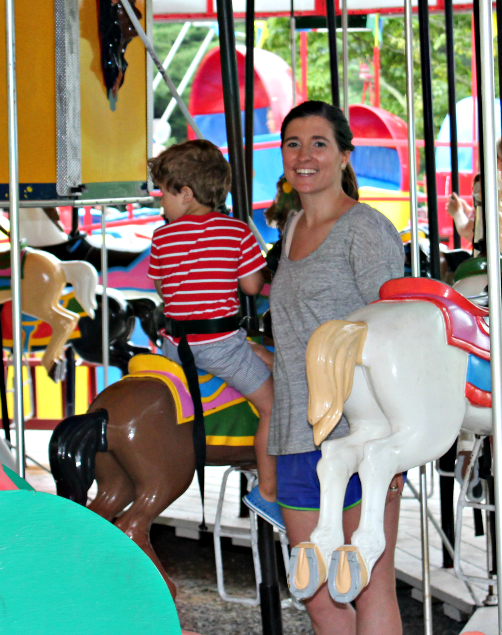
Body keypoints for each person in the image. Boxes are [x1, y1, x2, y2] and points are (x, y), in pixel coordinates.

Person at [268, 100, 405, 635]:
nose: (304, 156)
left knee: (369, 585)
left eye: (319, 144)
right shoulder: (293, 225)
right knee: (315, 594)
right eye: (293, 144)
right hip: (299, 433)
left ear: (345, 155)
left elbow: (394, 333)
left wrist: (393, 443)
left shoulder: (364, 230)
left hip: (358, 433)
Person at [147, 139, 283, 529]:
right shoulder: (236, 232)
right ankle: (268, 493)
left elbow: (162, 289)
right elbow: (253, 287)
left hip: (175, 346)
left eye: (163, 194)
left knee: (254, 350)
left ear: (185, 194)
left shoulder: (162, 237)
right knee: (275, 406)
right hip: (220, 346)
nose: (161, 204)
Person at [445, 134, 502, 249]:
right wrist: (467, 211)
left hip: (501, 255)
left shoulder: (493, 187)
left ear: (497, 160)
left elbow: (472, 233)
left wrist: (456, 213)